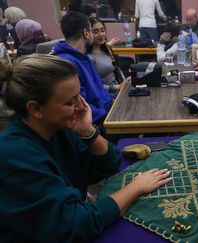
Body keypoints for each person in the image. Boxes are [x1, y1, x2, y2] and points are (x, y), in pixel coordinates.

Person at [0, 54, 171, 242]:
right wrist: (136, 187)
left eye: (79, 96)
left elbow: (108, 166)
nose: (82, 107)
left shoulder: (57, 129)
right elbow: (76, 224)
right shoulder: (14, 154)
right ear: (35, 108)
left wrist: (88, 132)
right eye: (69, 102)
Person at [52, 11, 112, 125]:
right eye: (91, 31)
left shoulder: (82, 57)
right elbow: (80, 106)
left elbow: (100, 91)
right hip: (99, 121)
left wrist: (113, 103)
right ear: (86, 33)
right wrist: (108, 113)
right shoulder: (68, 64)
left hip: (105, 112)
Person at [87, 17, 130, 96]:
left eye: (102, 30)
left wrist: (125, 83)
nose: (101, 34)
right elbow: (93, 87)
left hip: (119, 90)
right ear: (88, 34)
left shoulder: (106, 49)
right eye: (95, 32)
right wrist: (117, 87)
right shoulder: (89, 57)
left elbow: (117, 71)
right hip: (108, 95)